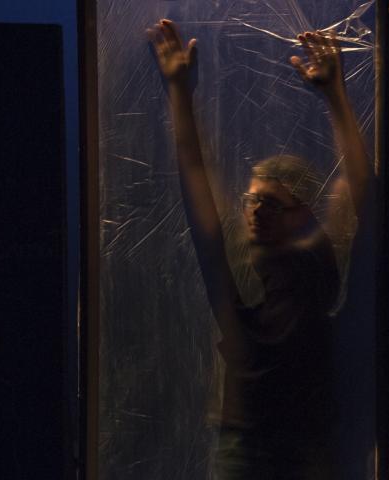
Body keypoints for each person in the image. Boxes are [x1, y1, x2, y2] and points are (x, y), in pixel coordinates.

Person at [147, 18, 372, 479]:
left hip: (307, 443)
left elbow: (367, 208)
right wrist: (179, 93)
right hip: (245, 443)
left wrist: (336, 97)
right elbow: (198, 200)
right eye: (252, 201)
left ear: (303, 214)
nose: (255, 211)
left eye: (271, 203)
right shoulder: (240, 276)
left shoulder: (320, 276)